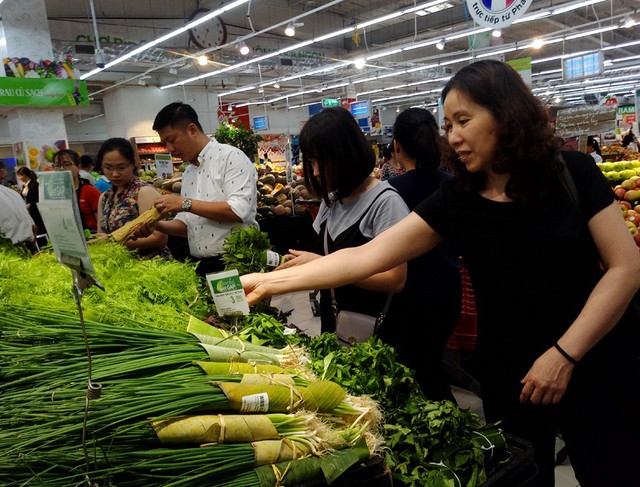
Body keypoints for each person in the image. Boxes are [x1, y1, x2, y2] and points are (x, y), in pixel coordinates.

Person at [240, 60, 640, 487]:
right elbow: (369, 256)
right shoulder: (458, 196)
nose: (453, 136)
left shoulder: (571, 173)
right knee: (527, 475)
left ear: (507, 113)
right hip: (511, 372)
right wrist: (267, 282)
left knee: (614, 470)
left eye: (463, 120)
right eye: (447, 124)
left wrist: (564, 355)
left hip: (596, 358)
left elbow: (626, 269)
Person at [275, 106, 409, 335]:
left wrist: (322, 265)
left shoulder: (385, 203)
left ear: (346, 155)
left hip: (374, 330)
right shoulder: (332, 202)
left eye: (321, 162)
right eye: (312, 162)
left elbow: (395, 279)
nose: (315, 173)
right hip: (336, 321)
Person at [385, 107, 462, 402]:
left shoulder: (390, 192)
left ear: (397, 146)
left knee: (415, 370)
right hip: (447, 291)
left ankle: (448, 428)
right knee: (430, 364)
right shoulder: (454, 186)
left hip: (407, 295)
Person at [134, 102, 257, 276]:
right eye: (164, 143)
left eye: (172, 140)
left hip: (237, 262)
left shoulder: (231, 157)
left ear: (192, 130)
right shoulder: (189, 173)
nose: (170, 149)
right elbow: (188, 226)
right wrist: (156, 225)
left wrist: (184, 203)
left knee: (244, 305)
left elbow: (238, 211)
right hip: (203, 265)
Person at [96, 138, 170, 259]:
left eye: (121, 167)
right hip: (119, 268)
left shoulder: (144, 192)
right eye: (108, 167)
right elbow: (101, 234)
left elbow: (159, 238)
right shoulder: (104, 197)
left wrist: (113, 241)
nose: (115, 174)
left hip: (149, 268)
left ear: (133, 164)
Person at [52, 149, 101, 232]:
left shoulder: (91, 192)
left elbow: (102, 224)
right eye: (57, 165)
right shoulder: (54, 193)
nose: (61, 169)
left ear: (78, 167)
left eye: (67, 164)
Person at [16, 167, 46, 240]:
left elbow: (39, 199)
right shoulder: (24, 186)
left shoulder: (34, 184)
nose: (19, 178)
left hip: (36, 211)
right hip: (28, 212)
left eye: (19, 176)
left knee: (39, 229)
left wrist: (30, 205)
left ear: (24, 175)